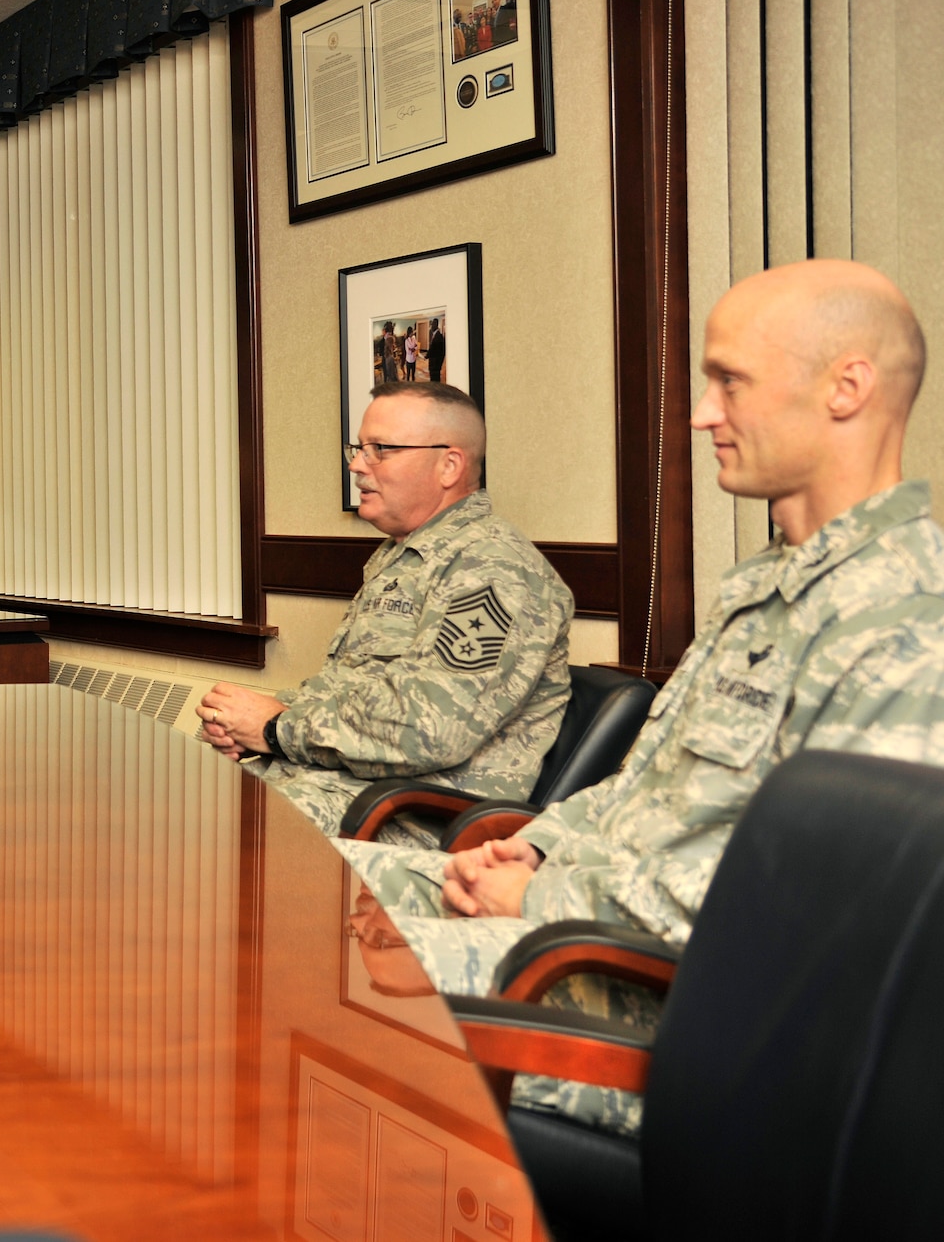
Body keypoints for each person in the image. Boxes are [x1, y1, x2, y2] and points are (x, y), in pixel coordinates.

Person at [346, 259, 944, 1135]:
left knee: (323, 977)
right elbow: (647, 792)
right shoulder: (762, 587)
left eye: (730, 382)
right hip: (586, 927)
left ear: (846, 388)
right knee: (300, 892)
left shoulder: (903, 619)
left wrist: (542, 903)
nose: (702, 413)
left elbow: (810, 921)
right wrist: (534, 848)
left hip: (677, 1016)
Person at [198, 381, 573, 844]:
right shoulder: (403, 555)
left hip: (402, 822)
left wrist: (276, 728)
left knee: (203, 838)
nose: (357, 464)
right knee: (164, 802)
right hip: (327, 789)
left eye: (381, 449)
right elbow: (353, 694)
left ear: (449, 465)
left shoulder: (494, 567)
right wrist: (244, 724)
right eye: (359, 448)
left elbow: (429, 729)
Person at [426, 318, 446, 383]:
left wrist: (427, 356)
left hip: (435, 365)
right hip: (434, 365)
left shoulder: (438, 336)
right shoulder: (435, 335)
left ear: (436, 325)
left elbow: (441, 352)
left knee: (435, 382)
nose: (431, 327)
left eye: (432, 325)